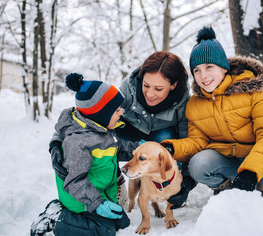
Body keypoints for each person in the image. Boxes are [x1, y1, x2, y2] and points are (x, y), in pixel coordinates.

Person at [162, 26, 263, 210]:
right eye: (197, 70)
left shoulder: (250, 92)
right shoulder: (195, 104)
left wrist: (251, 171)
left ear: (223, 68)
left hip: (254, 156)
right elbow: (197, 142)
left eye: (209, 67)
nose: (203, 75)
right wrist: (172, 147)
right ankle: (224, 188)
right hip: (224, 160)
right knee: (197, 164)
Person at [49, 51, 191, 208]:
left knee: (166, 138)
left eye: (158, 89)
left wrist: (185, 181)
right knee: (102, 139)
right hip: (129, 132)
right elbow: (89, 116)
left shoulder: (182, 101)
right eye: (146, 85)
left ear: (173, 85)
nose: (150, 94)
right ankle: (114, 179)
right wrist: (57, 141)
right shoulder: (128, 89)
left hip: (161, 139)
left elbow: (188, 142)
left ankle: (167, 185)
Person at [30, 73, 138, 236]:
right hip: (81, 198)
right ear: (100, 115)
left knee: (122, 223)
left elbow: (116, 149)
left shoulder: (102, 130)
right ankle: (56, 219)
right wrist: (98, 203)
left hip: (99, 192)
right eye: (116, 110)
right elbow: (74, 182)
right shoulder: (79, 143)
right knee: (105, 231)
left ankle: (70, 215)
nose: (120, 113)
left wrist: (141, 148)